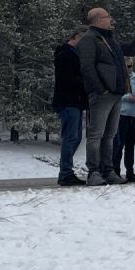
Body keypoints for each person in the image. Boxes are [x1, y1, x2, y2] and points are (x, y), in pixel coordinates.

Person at [78, 7, 135, 186]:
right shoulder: (89, 39)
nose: (111, 19)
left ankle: (108, 170)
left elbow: (130, 50)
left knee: (109, 135)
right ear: (99, 19)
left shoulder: (110, 39)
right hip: (103, 94)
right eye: (108, 16)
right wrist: (100, 89)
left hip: (116, 94)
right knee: (96, 135)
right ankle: (93, 172)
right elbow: (87, 67)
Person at [52, 29, 88, 186]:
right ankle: (65, 172)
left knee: (76, 137)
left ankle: (66, 169)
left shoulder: (72, 54)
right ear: (74, 37)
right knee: (70, 137)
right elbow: (70, 79)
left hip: (75, 101)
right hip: (68, 100)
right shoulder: (66, 55)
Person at [115, 68, 135, 182]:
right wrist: (128, 97)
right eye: (126, 65)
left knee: (130, 145)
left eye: (130, 65)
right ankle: (116, 171)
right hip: (122, 114)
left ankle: (130, 172)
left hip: (134, 114)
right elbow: (116, 93)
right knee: (119, 144)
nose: (128, 68)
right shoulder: (118, 76)